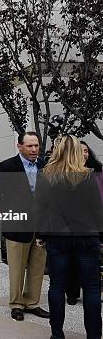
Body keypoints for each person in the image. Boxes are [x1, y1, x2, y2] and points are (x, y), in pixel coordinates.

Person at [35, 135, 103, 339]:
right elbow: (97, 210)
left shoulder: (45, 175)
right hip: (86, 236)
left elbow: (40, 209)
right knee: (91, 288)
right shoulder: (88, 176)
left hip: (58, 237)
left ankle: (57, 334)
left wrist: (41, 235)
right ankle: (94, 335)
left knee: (56, 286)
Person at [0, 132, 49, 321]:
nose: (34, 150)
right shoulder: (6, 167)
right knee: (16, 269)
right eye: (30, 146)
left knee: (37, 268)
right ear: (19, 146)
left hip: (40, 227)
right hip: (16, 226)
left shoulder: (44, 166)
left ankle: (32, 302)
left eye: (36, 146)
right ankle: (16, 304)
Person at [65, 141, 103, 305]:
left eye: (87, 151)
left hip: (95, 221)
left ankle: (95, 292)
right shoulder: (66, 174)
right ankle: (72, 292)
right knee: (72, 261)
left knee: (95, 261)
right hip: (72, 225)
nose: (85, 154)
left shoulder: (98, 171)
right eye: (81, 151)